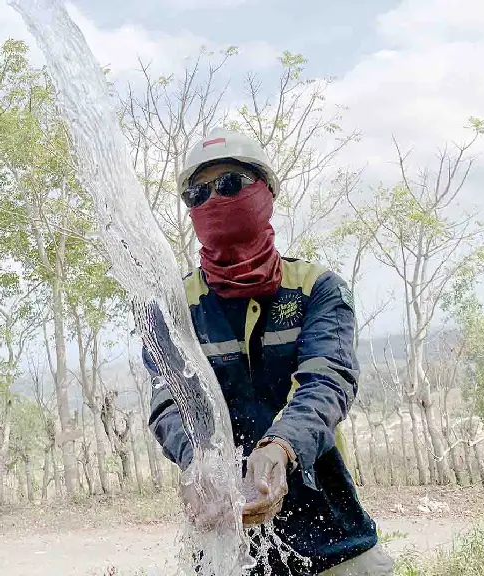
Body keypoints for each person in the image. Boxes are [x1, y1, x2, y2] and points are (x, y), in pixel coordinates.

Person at [143, 128, 394, 575]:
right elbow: (168, 401)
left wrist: (280, 447)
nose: (213, 201)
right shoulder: (171, 308)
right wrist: (197, 461)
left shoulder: (318, 289)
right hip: (225, 545)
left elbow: (327, 381)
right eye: (196, 194)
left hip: (331, 539)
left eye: (230, 185)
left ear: (266, 192)